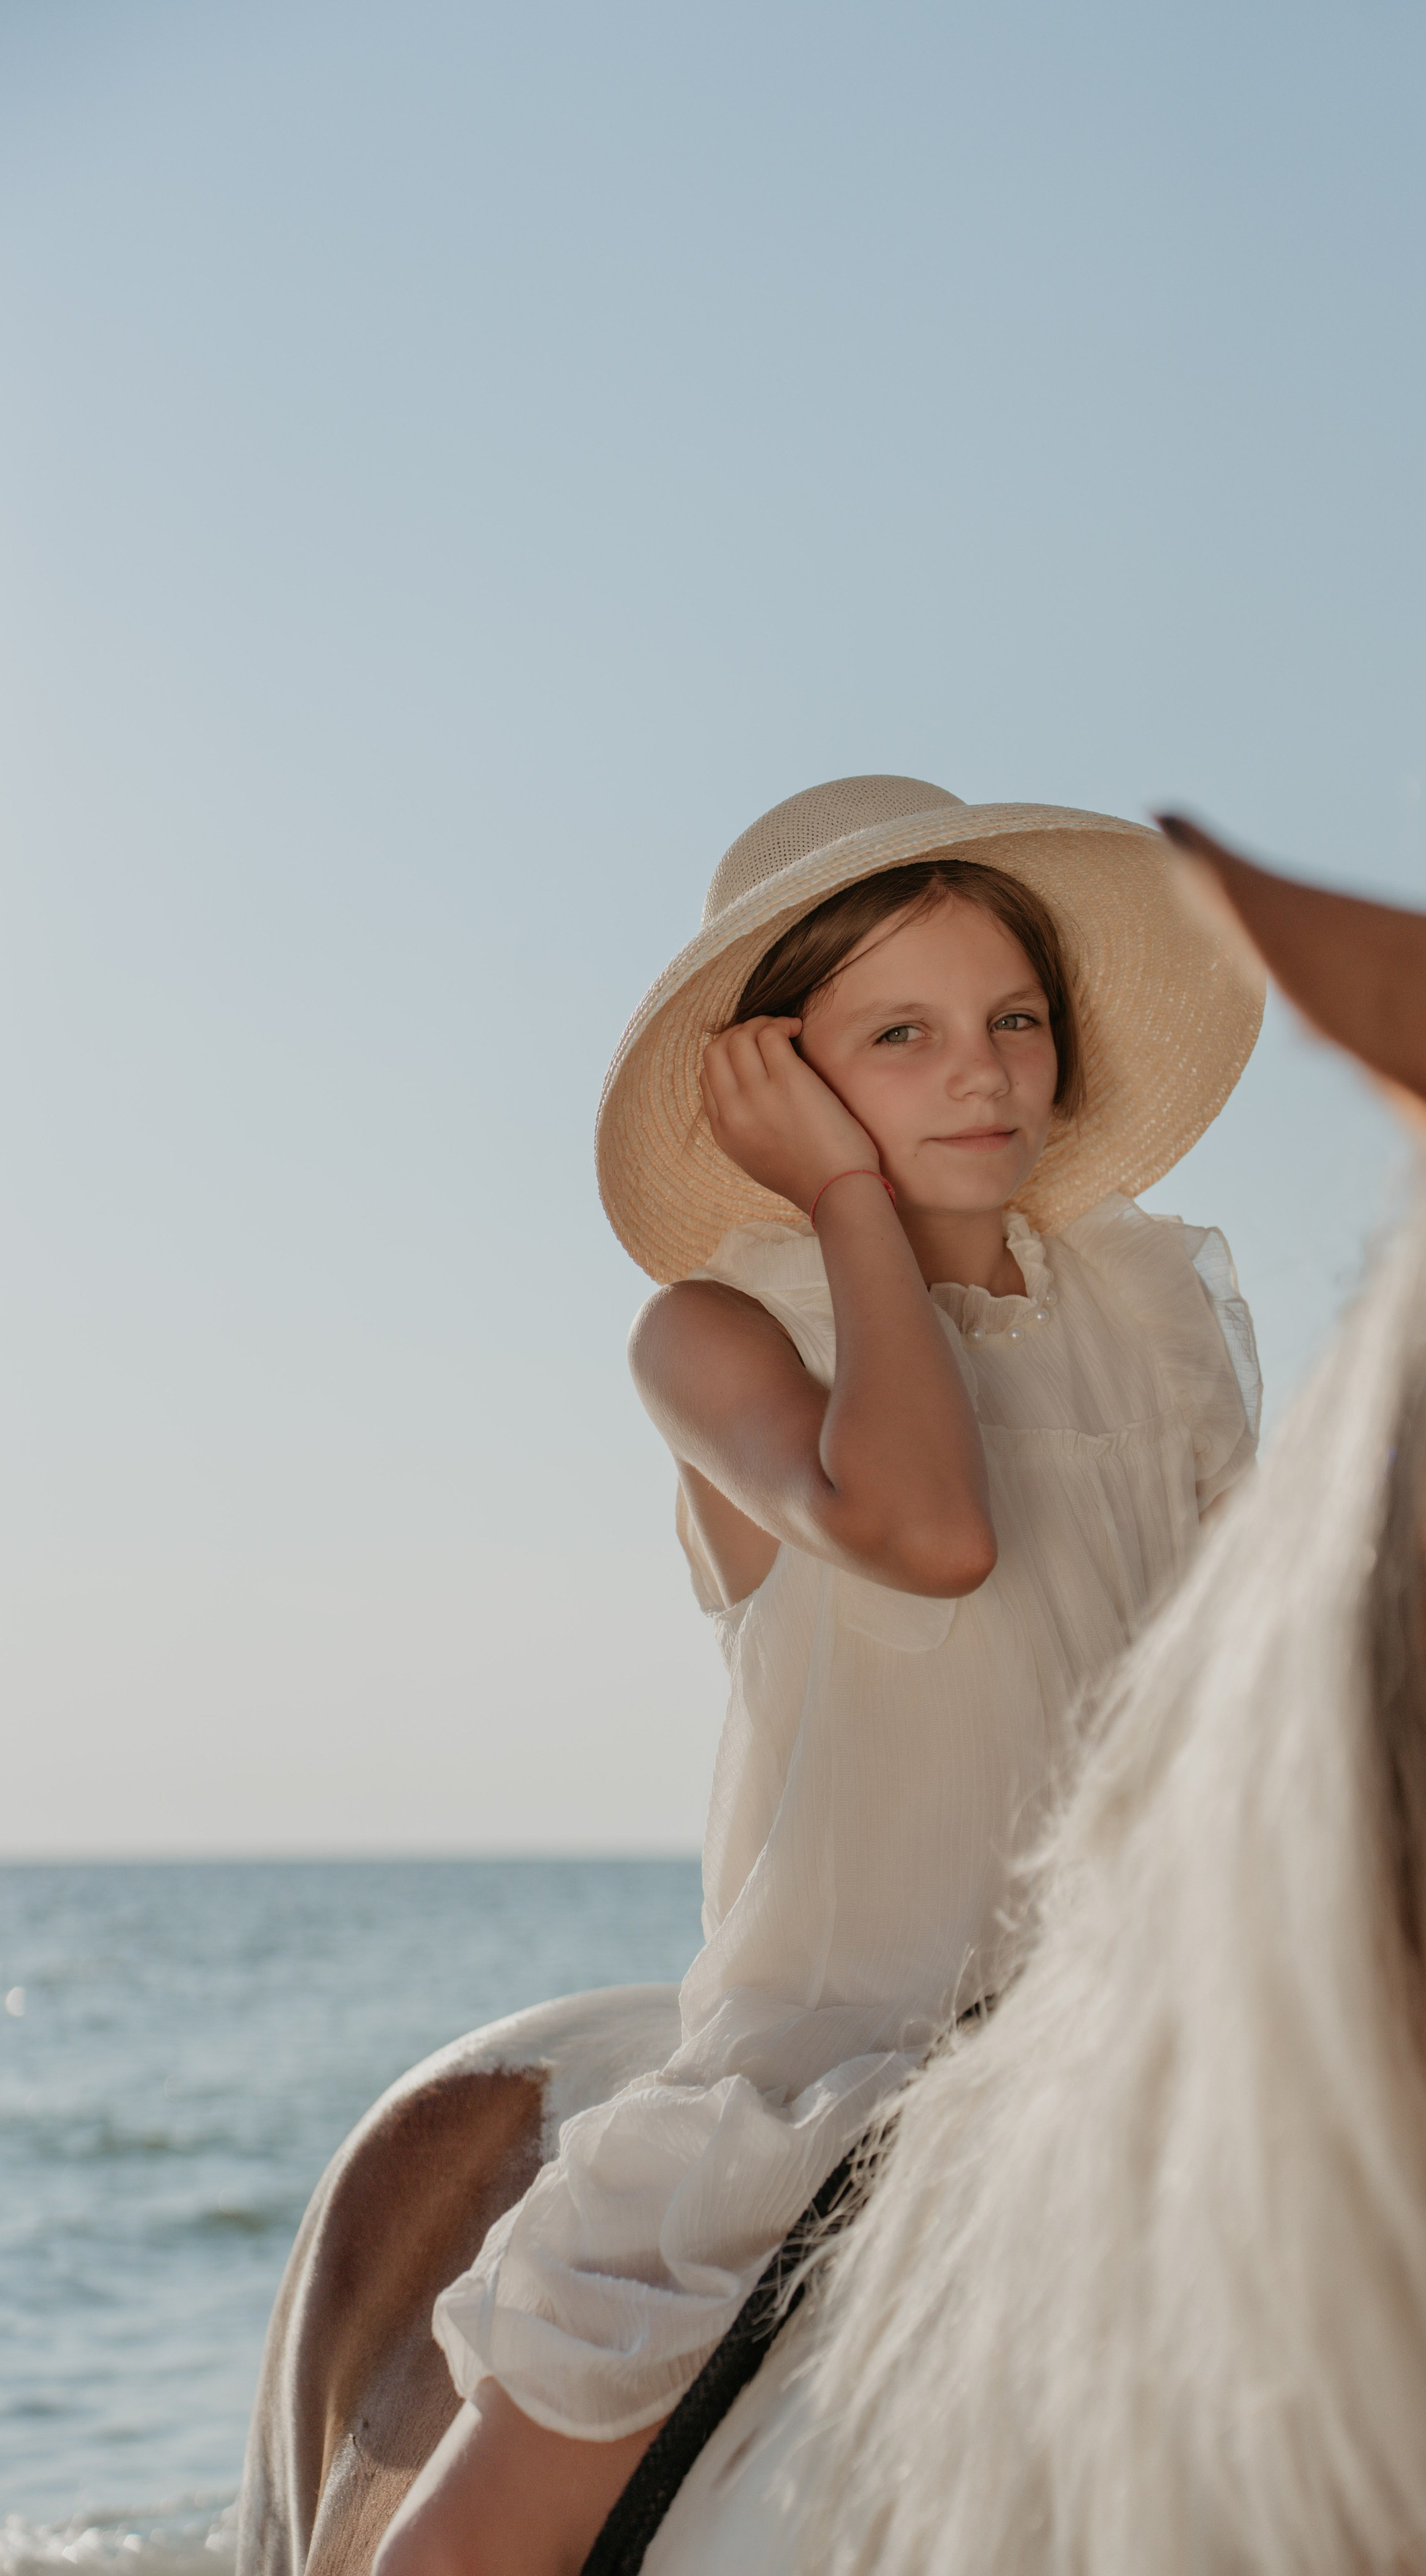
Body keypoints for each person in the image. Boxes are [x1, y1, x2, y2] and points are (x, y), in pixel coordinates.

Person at [377, 773, 1266, 2573]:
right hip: (834, 2069)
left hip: (1154, 2050)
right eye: (902, 1034)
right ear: (779, 1074)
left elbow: (1256, 1693)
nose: (985, 1073)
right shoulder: (716, 1333)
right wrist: (849, 1198)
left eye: (1016, 1019)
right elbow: (927, 1527)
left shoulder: (1155, 1319)